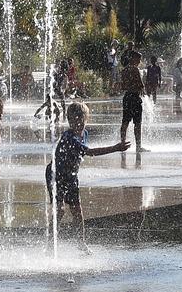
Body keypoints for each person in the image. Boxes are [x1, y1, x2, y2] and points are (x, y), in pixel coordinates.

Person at [46, 102, 130, 245]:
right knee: (60, 210)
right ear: (69, 121)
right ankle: (50, 243)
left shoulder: (84, 134)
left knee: (77, 212)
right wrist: (115, 148)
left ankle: (81, 243)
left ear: (86, 119)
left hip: (71, 176)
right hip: (56, 175)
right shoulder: (69, 138)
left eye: (80, 120)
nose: (77, 124)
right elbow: (90, 152)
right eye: (73, 120)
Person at [119, 50, 145, 156]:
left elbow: (123, 86)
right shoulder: (135, 69)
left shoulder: (124, 70)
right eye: (138, 59)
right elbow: (141, 85)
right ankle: (138, 147)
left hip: (127, 97)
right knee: (137, 123)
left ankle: (122, 143)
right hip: (134, 97)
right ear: (133, 58)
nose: (139, 61)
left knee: (125, 122)